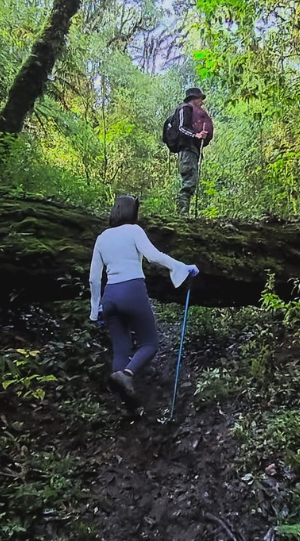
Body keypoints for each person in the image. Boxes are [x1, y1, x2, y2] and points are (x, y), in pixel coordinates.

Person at [89, 195, 199, 400]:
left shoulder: (102, 237)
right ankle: (127, 374)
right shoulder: (134, 231)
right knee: (149, 343)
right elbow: (154, 256)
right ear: (133, 212)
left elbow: (94, 279)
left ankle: (128, 404)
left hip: (110, 297)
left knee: (121, 351)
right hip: (132, 291)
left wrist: (96, 310)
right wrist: (181, 267)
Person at [175, 87, 214, 215]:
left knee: (192, 180)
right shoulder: (184, 109)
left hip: (193, 150)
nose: (202, 102)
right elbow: (181, 128)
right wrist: (195, 135)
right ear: (193, 99)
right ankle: (182, 214)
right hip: (186, 150)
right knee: (188, 181)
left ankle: (184, 213)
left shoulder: (193, 111)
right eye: (200, 99)